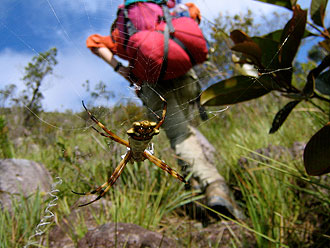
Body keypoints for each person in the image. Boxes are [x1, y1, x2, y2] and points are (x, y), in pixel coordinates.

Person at [86, 0, 244, 220]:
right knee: (185, 129)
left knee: (180, 135)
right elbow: (194, 20)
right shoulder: (173, 7)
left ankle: (215, 187)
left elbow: (93, 42)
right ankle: (196, 187)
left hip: (153, 85)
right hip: (187, 79)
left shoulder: (123, 28)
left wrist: (121, 69)